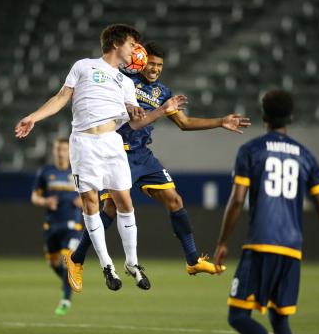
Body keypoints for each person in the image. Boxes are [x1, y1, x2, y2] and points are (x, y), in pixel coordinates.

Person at [64, 41, 250, 292]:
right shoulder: (122, 80)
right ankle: (76, 259)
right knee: (110, 209)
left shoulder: (162, 92)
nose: (155, 69)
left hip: (142, 155)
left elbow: (184, 123)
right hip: (116, 151)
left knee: (175, 200)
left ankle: (193, 261)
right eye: (151, 63)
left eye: (160, 65)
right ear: (140, 61)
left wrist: (220, 121)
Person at [15, 24, 186, 292]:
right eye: (132, 44)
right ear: (117, 44)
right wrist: (33, 117)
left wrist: (162, 111)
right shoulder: (84, 66)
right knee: (91, 201)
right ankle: (107, 265)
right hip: (84, 142)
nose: (135, 50)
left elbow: (137, 123)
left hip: (112, 142)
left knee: (124, 202)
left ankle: (132, 263)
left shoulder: (125, 82)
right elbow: (62, 97)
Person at [213, 89, 319, 334]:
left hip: (262, 243)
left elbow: (238, 199)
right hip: (292, 247)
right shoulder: (306, 156)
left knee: (238, 316)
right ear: (290, 116)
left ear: (263, 115)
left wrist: (223, 242)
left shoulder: (251, 150)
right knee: (279, 316)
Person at [31, 137, 84, 315]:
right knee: (53, 262)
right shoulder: (45, 172)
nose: (61, 152)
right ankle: (67, 283)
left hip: (73, 226)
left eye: (64, 149)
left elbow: (93, 196)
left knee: (67, 260)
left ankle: (66, 300)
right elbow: (34, 197)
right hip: (52, 224)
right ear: (54, 152)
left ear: (70, 151)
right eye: (58, 149)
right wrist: (45, 201)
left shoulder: (79, 171)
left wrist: (83, 200)